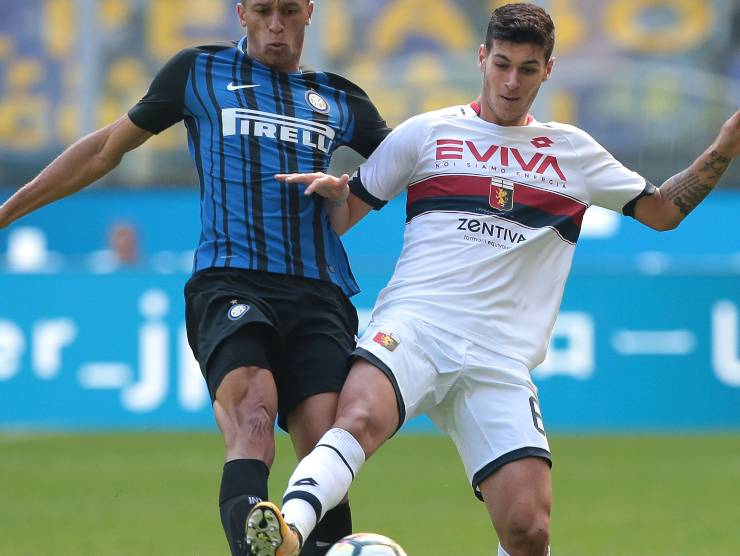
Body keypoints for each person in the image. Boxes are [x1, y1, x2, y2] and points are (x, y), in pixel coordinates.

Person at [242, 3, 740, 556]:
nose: (510, 81)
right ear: (482, 57)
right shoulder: (426, 133)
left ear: (548, 69)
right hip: (416, 328)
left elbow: (663, 212)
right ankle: (285, 531)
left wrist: (722, 149)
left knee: (529, 531)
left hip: (499, 358)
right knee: (358, 416)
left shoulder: (573, 152)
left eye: (527, 69)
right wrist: (332, 194)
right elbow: (340, 217)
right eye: (501, 63)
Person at [0, 1, 390, 555]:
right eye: (262, 9)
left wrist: (349, 187)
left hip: (317, 289)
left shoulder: (341, 97)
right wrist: (6, 213)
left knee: (324, 447)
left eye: (287, 10)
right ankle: (253, 542)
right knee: (252, 414)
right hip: (231, 280)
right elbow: (105, 149)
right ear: (241, 12)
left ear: (309, 12)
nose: (274, 23)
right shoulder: (199, 72)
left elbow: (411, 164)